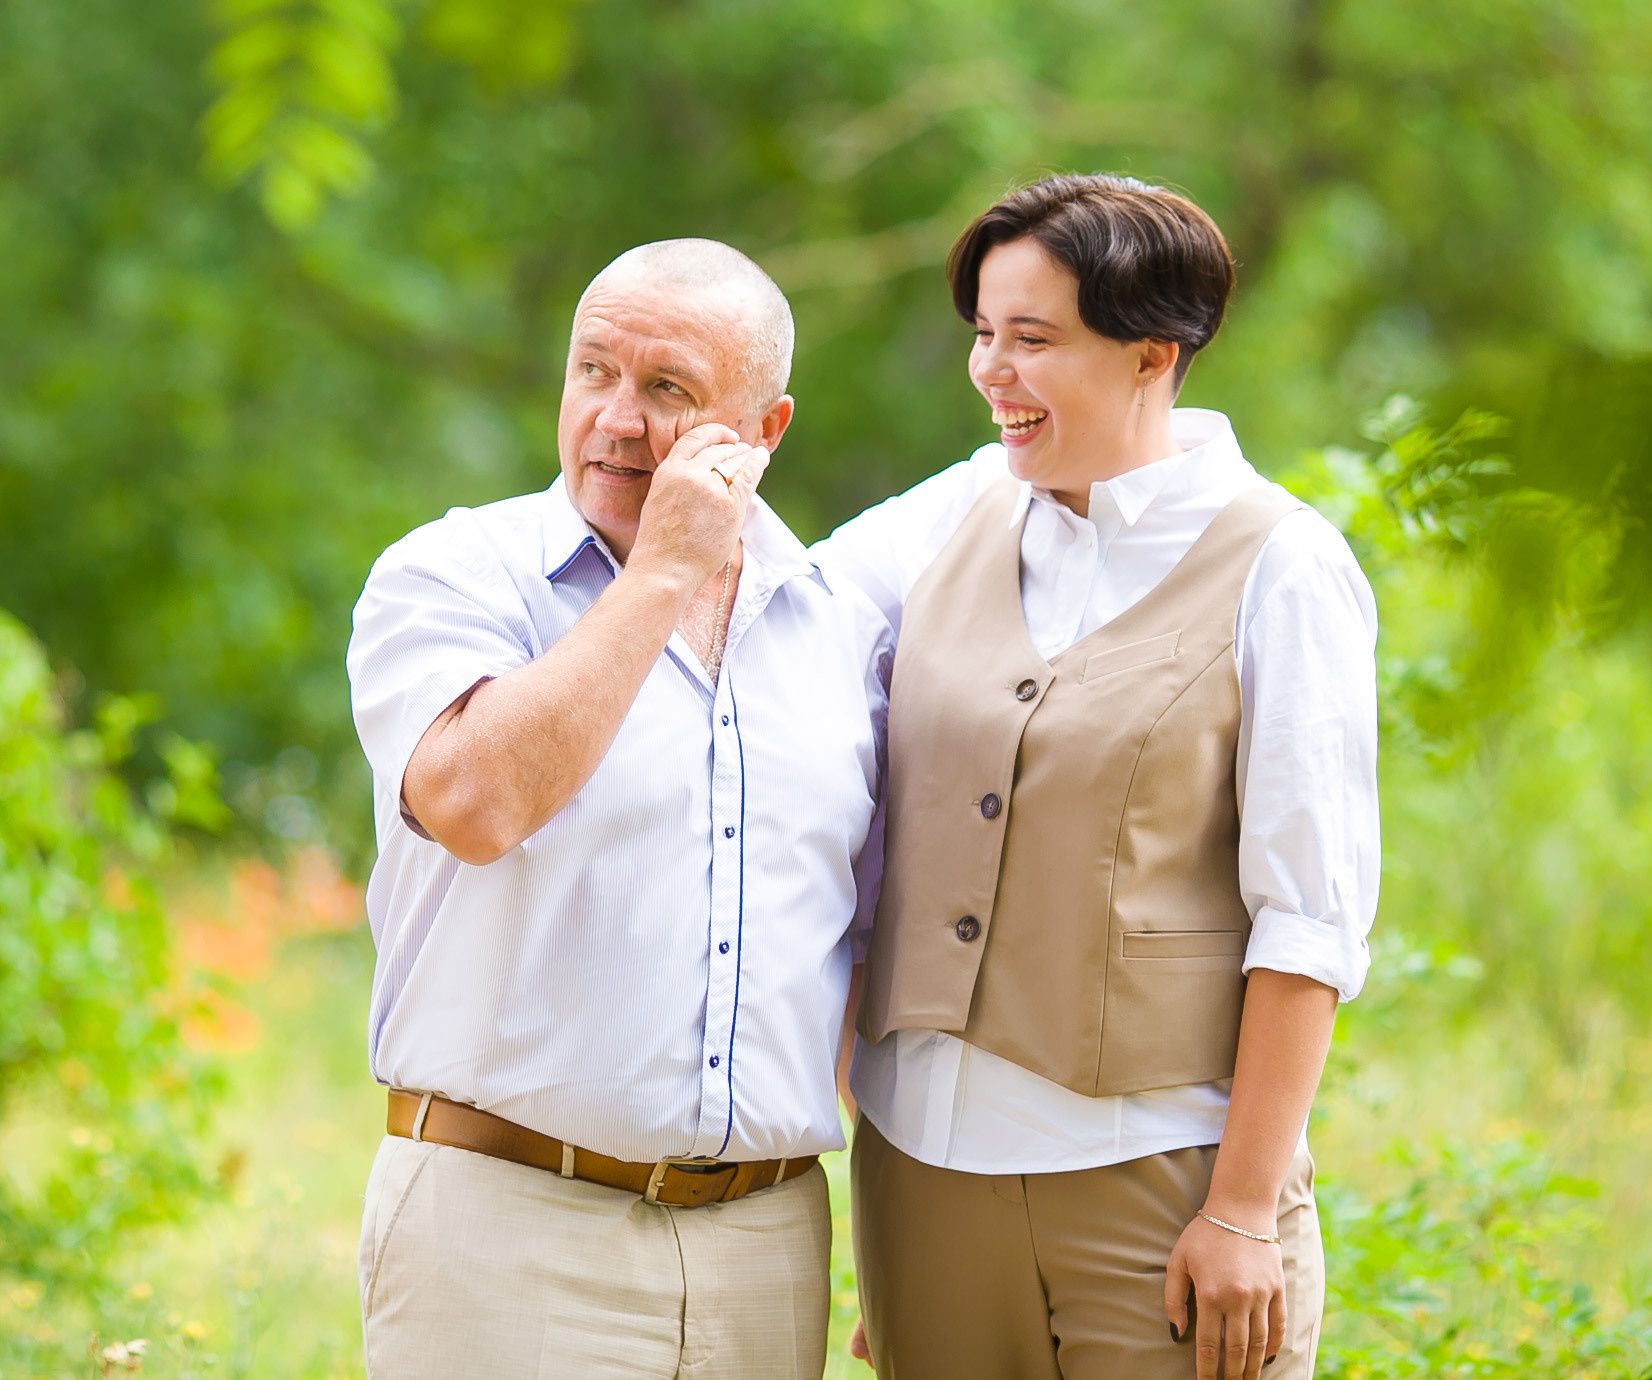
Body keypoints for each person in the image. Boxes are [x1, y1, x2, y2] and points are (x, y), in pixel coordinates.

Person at [815, 175, 1380, 1380]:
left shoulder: (1282, 564)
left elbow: (1310, 922)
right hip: (920, 1180)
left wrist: (1239, 1211)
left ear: (1152, 355)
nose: (991, 372)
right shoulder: (956, 510)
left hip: (1157, 1186)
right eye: (982, 334)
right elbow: (770, 625)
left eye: (1033, 339)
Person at [345, 239, 891, 1378]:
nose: (618, 420)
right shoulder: (452, 575)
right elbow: (475, 803)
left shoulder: (844, 626)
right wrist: (660, 576)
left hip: (765, 1242)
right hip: (506, 1226)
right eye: (594, 372)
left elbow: (857, 950)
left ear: (765, 431)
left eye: (669, 391)